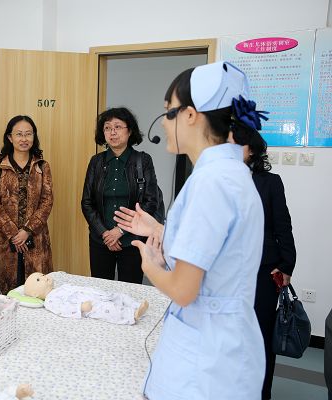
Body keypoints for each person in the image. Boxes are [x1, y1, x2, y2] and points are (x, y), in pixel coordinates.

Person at [114, 61, 266, 399]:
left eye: (168, 111)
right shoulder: (232, 174)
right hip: (224, 344)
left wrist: (150, 265)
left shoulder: (210, 183)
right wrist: (159, 229)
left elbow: (184, 290)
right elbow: (219, 252)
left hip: (205, 362)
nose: (164, 123)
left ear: (191, 115)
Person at [230, 117, 297, 400]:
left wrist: (286, 265)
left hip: (263, 271)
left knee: (259, 336)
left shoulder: (270, 183)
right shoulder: (217, 181)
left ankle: (260, 393)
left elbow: (283, 227)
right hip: (226, 272)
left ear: (253, 149)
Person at [81, 107, 161, 284]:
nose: (112, 132)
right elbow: (87, 203)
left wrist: (120, 231)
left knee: (131, 291)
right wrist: (105, 233)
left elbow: (150, 201)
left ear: (129, 130)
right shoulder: (96, 162)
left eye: (117, 127)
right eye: (107, 128)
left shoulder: (143, 161)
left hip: (133, 240)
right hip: (101, 240)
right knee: (100, 291)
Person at [0, 115, 53, 293]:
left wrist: (27, 230)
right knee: (9, 291)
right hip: (7, 240)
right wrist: (13, 233)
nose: (24, 139)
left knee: (37, 290)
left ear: (34, 136)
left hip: (36, 238)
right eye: (19, 134)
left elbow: (47, 201)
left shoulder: (42, 166)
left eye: (28, 134)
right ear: (10, 137)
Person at [22, 272, 148, 325]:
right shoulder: (50, 301)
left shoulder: (60, 288)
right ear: (35, 294)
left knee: (117, 296)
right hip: (89, 306)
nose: (44, 277)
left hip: (95, 295)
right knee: (109, 309)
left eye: (42, 275)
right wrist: (80, 307)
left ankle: (136, 305)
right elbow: (62, 309)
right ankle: (132, 315)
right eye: (38, 280)